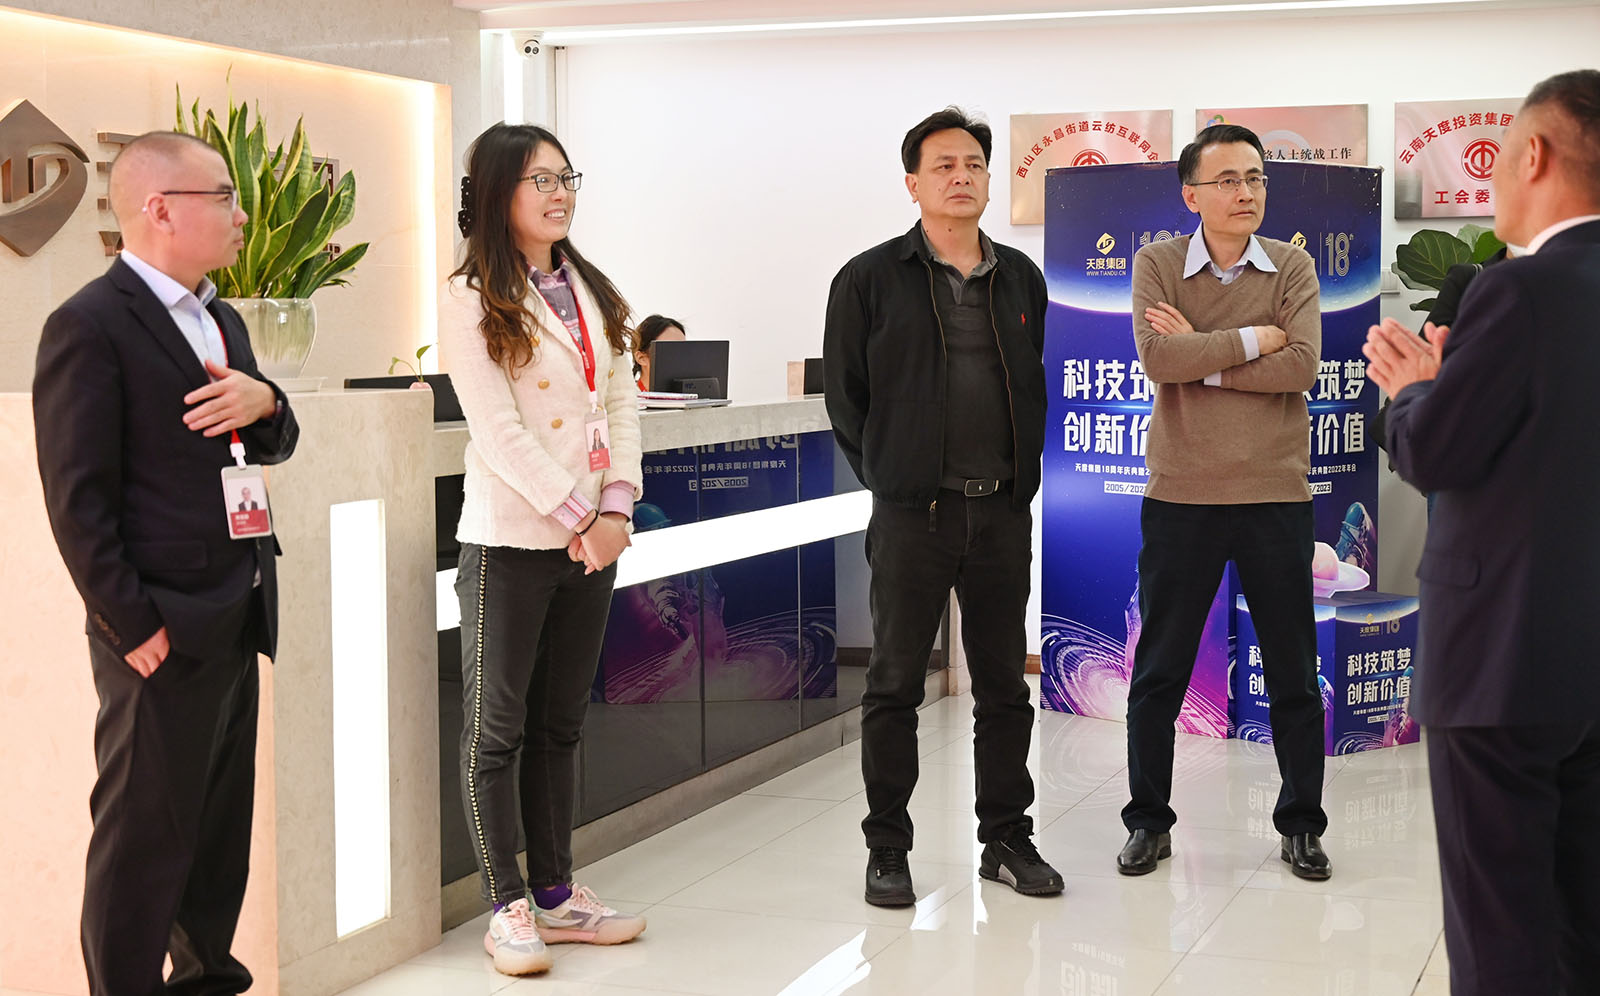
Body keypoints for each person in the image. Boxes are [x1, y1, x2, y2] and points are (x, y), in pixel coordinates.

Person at [33, 131, 299, 995]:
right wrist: (130, 623)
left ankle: (207, 980)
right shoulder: (88, 324)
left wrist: (268, 401)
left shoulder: (222, 317)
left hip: (236, 607)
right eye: (223, 196)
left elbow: (271, 441)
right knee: (142, 841)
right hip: (158, 624)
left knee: (217, 837)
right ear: (158, 209)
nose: (240, 213)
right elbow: (77, 500)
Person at [1364, 69, 1600, 996]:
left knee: (1500, 926)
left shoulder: (1520, 291)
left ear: (1533, 154)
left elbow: (1437, 451)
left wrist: (1414, 391)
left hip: (1503, 657)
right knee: (1584, 922)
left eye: (1499, 157)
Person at [824, 106, 1062, 907]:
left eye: (974, 165)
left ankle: (1007, 839)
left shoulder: (1020, 278)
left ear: (989, 180)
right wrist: (892, 479)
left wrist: (1018, 484)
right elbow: (847, 399)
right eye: (944, 166)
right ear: (913, 183)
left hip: (999, 515)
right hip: (912, 517)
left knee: (1003, 687)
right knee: (895, 685)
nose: (962, 177)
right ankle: (887, 847)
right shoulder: (868, 279)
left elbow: (1031, 382)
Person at [441, 122, 647, 978]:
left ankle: (558, 896)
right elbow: (498, 433)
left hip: (591, 541)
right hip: (514, 539)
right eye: (542, 181)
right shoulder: (468, 297)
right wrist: (579, 517)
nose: (561, 194)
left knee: (560, 726)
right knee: (497, 731)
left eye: (567, 178)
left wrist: (618, 508)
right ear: (500, 194)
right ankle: (508, 907)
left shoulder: (588, 287)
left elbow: (621, 405)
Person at [1119, 124, 1331, 881]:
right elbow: (1157, 358)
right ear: (1192, 195)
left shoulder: (1292, 265)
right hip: (1182, 495)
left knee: (1294, 674)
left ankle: (1302, 825)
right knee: (1160, 672)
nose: (1247, 192)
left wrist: (1203, 357)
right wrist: (1253, 339)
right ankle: (1148, 822)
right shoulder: (1158, 263)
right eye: (1229, 180)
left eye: (1256, 178)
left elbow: (1301, 367)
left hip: (1276, 494)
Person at [631, 313, 685, 391]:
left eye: (683, 349)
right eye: (670, 349)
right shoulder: (626, 397)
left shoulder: (693, 396)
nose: (679, 357)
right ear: (641, 358)